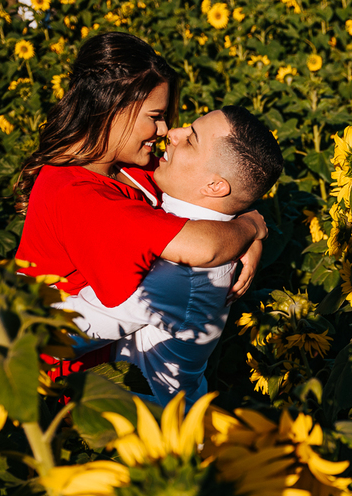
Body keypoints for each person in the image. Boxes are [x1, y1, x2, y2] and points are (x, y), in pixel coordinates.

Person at [12, 31, 268, 380]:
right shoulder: (78, 196)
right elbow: (204, 246)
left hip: (109, 362)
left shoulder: (132, 168)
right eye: (155, 115)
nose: (164, 130)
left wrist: (248, 218)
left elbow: (211, 195)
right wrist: (251, 229)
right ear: (111, 108)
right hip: (60, 378)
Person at [57, 106, 284, 405]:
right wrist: (251, 225)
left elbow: (68, 331)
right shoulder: (209, 228)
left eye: (192, 139)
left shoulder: (178, 273)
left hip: (146, 431)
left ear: (214, 186)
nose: (172, 134)